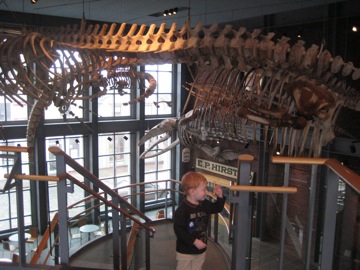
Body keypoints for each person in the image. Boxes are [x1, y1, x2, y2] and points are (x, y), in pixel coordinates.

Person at [173, 171, 226, 270]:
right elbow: (179, 231)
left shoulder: (204, 204)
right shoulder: (181, 211)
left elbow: (217, 208)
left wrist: (220, 196)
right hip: (185, 251)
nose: (206, 192)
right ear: (192, 192)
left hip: (201, 249)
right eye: (203, 189)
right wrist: (194, 241)